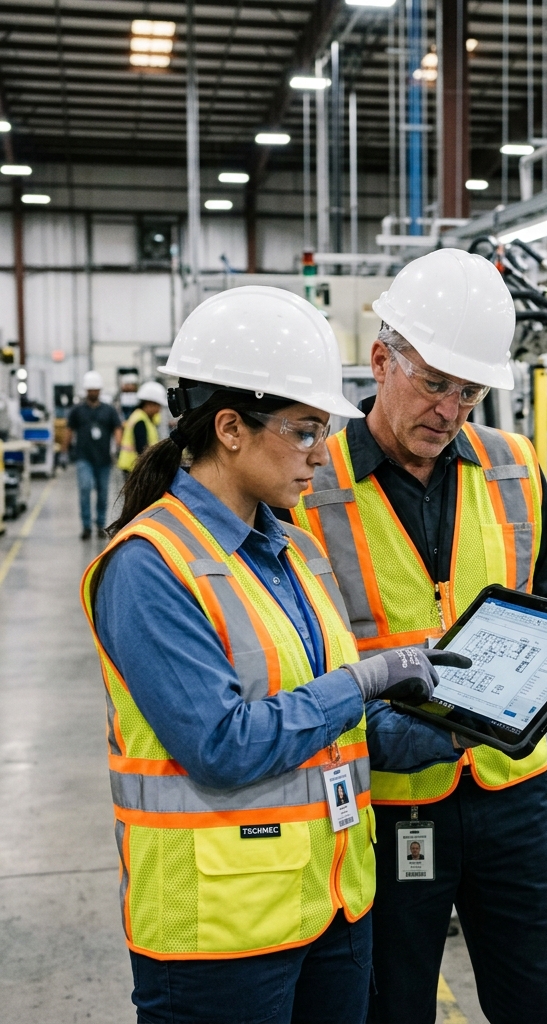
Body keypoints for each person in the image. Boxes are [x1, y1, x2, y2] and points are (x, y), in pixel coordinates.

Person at [79, 286, 470, 1024]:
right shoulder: (150, 566)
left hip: (330, 908)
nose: (322, 457)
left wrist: (449, 729)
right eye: (303, 431)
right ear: (230, 427)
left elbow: (327, 730)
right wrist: (366, 679)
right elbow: (224, 745)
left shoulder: (289, 550)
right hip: (220, 935)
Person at [292, 248, 547, 1024]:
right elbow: (289, 649)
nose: (451, 409)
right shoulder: (307, 484)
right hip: (386, 801)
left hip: (511, 791)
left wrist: (527, 687)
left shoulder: (513, 464)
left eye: (470, 391)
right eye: (434, 383)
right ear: (382, 359)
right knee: (391, 1004)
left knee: (542, 1002)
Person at [65, 370, 122, 539]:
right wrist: (63, 451)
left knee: (103, 492)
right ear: (86, 391)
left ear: (100, 390)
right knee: (85, 488)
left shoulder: (109, 411)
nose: (93, 393)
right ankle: (86, 526)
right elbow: (69, 430)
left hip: (103, 459)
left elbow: (117, 428)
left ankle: (100, 525)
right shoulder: (77, 411)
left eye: (96, 389)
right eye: (90, 390)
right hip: (84, 457)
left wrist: (118, 447)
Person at [117, 380, 167, 477]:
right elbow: (142, 448)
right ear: (149, 404)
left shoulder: (143, 417)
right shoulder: (140, 420)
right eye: (158, 406)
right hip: (134, 468)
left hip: (135, 467)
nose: (159, 409)